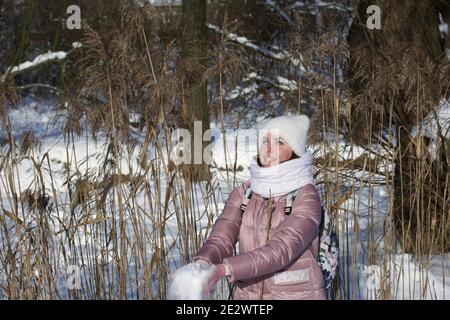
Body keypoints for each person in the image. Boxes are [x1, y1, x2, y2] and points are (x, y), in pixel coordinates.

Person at [192, 114, 326, 300]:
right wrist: (203, 263)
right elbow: (221, 237)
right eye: (265, 141)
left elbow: (280, 250)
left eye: (279, 142)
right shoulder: (245, 192)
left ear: (294, 150)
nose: (269, 149)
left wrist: (225, 269)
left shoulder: (305, 195)